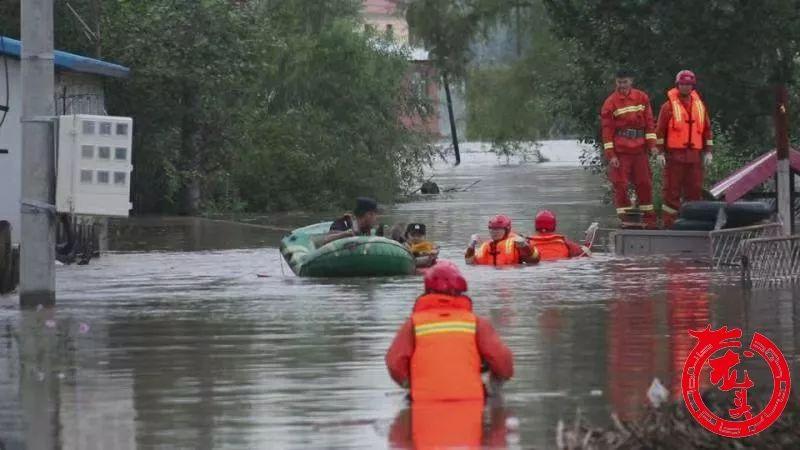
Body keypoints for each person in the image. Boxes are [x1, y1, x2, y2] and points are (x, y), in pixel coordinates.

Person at [385, 260, 514, 402]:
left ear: (427, 290)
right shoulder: (477, 323)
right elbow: (503, 362)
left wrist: (410, 384)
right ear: (460, 290)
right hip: (472, 401)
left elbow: (394, 362)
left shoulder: (413, 324)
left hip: (423, 402)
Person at [655, 70, 714, 228]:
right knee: (671, 193)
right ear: (677, 85)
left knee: (694, 192)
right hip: (674, 157)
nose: (686, 87)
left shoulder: (700, 106)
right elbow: (660, 131)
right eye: (683, 84)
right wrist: (660, 153)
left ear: (693, 86)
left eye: (689, 84)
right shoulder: (668, 107)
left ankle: (692, 225)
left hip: (694, 157)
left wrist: (708, 151)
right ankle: (669, 225)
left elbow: (707, 130)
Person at [600, 68, 658, 228]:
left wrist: (652, 146)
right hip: (621, 152)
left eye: (625, 82)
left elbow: (649, 124)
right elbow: (607, 131)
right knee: (621, 185)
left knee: (645, 183)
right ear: (615, 82)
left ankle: (649, 221)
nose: (622, 86)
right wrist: (611, 155)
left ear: (631, 81)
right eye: (619, 82)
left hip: (639, 150)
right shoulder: (610, 103)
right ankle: (626, 221)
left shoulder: (641, 97)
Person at [465, 215, 539, 266]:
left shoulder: (517, 243)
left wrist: (525, 246)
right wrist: (471, 247)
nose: (494, 232)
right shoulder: (486, 246)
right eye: (492, 229)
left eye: (498, 230)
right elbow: (469, 263)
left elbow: (534, 261)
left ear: (507, 230)